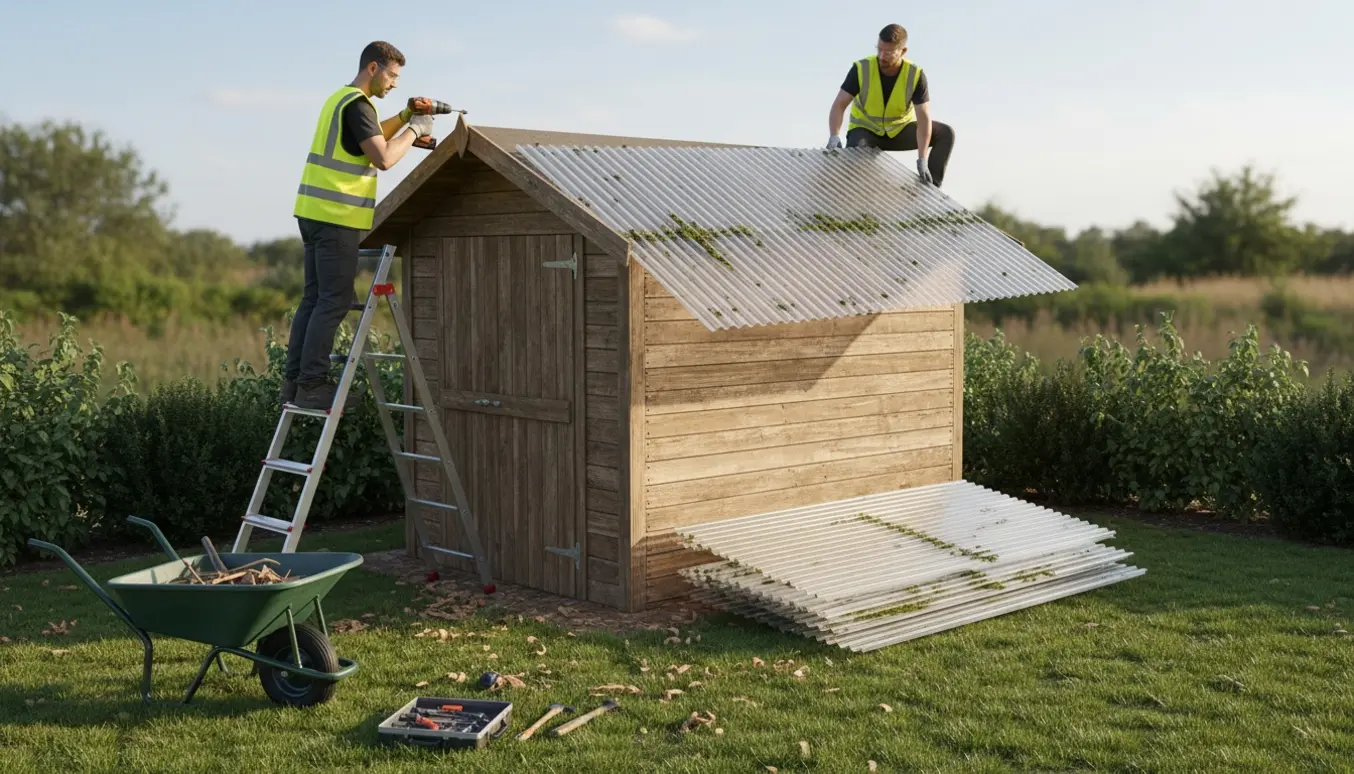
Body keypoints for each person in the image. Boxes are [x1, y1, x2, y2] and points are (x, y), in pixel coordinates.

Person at [283, 40, 436, 409]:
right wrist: (414, 130)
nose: (395, 83)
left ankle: (293, 385)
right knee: (334, 301)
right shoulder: (359, 105)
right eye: (392, 75)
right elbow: (383, 157)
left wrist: (405, 115)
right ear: (373, 68)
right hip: (336, 216)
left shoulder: (341, 100)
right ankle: (313, 385)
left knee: (314, 299)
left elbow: (368, 136)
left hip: (313, 213)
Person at [826, 24, 955, 187]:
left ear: (903, 51)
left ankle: (931, 189)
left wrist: (922, 159)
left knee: (945, 133)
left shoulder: (915, 75)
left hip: (898, 131)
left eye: (888, 52)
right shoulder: (862, 69)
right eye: (879, 49)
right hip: (865, 132)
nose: (882, 56)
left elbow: (924, 119)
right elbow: (839, 105)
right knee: (856, 162)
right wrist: (834, 135)